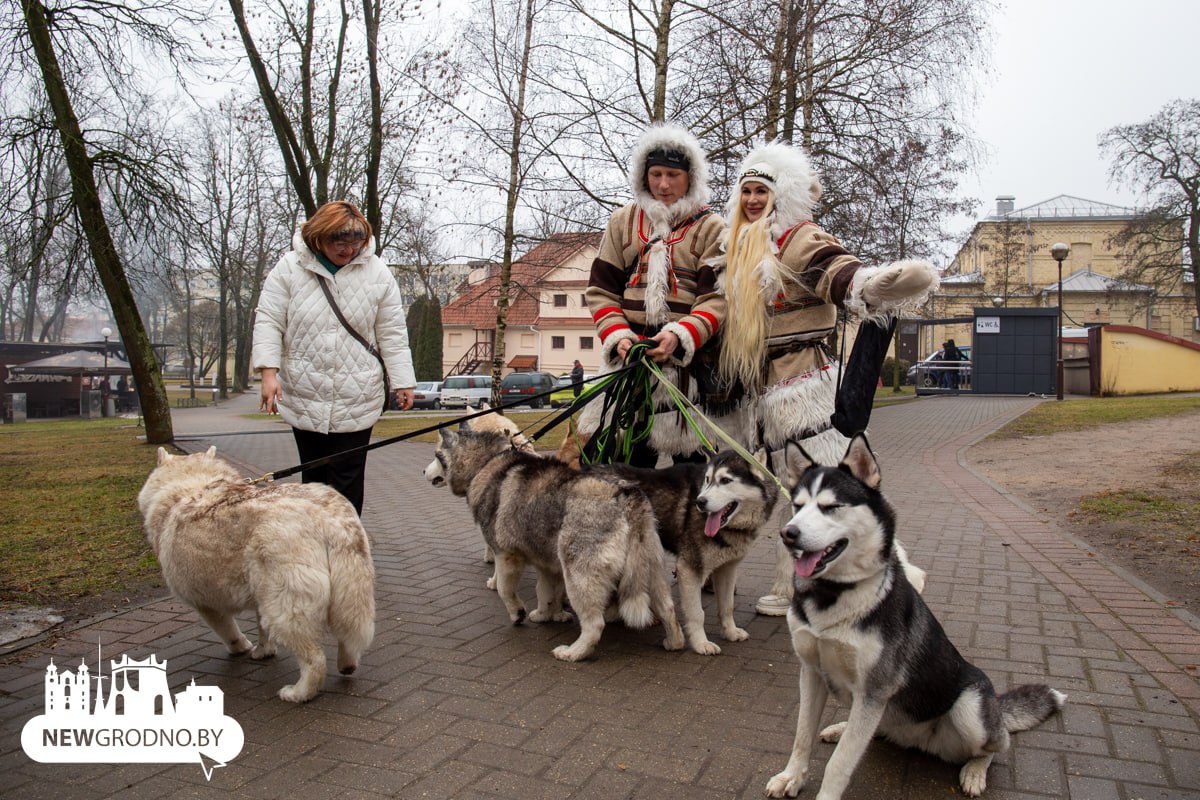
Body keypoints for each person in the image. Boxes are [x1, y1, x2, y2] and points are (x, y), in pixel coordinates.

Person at [716, 142, 939, 615]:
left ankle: (897, 578)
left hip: (805, 388)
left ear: (781, 195)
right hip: (760, 394)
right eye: (747, 191)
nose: (753, 199)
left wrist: (872, 285)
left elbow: (836, 271)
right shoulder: (740, 247)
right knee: (788, 491)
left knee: (831, 492)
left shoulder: (799, 238)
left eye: (762, 191)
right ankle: (790, 587)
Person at [252, 200, 415, 515]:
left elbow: (392, 332)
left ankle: (346, 551)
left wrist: (403, 382)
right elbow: (270, 320)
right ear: (318, 237)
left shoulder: (377, 273)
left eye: (355, 241)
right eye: (338, 241)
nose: (348, 249)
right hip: (305, 389)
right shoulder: (289, 268)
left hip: (357, 392)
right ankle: (314, 546)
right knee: (314, 479)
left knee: (347, 479)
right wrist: (268, 373)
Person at [582, 122, 730, 466]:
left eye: (673, 175)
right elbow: (601, 291)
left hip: (689, 373)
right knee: (624, 473)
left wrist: (680, 336)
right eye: (656, 174)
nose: (663, 184)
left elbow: (717, 300)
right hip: (630, 366)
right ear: (643, 176)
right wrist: (618, 336)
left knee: (694, 480)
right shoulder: (622, 221)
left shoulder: (713, 228)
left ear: (690, 177)